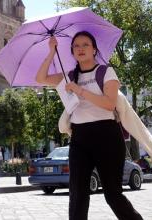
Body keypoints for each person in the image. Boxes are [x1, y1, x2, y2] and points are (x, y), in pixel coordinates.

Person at [36, 31, 143, 220]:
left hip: (107, 136)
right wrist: (52, 51)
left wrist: (80, 90)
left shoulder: (105, 71)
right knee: (77, 194)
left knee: (113, 195)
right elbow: (41, 78)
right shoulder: (69, 76)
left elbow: (109, 104)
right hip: (80, 138)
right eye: (76, 46)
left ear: (94, 49)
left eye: (85, 44)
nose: (80, 48)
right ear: (72, 52)